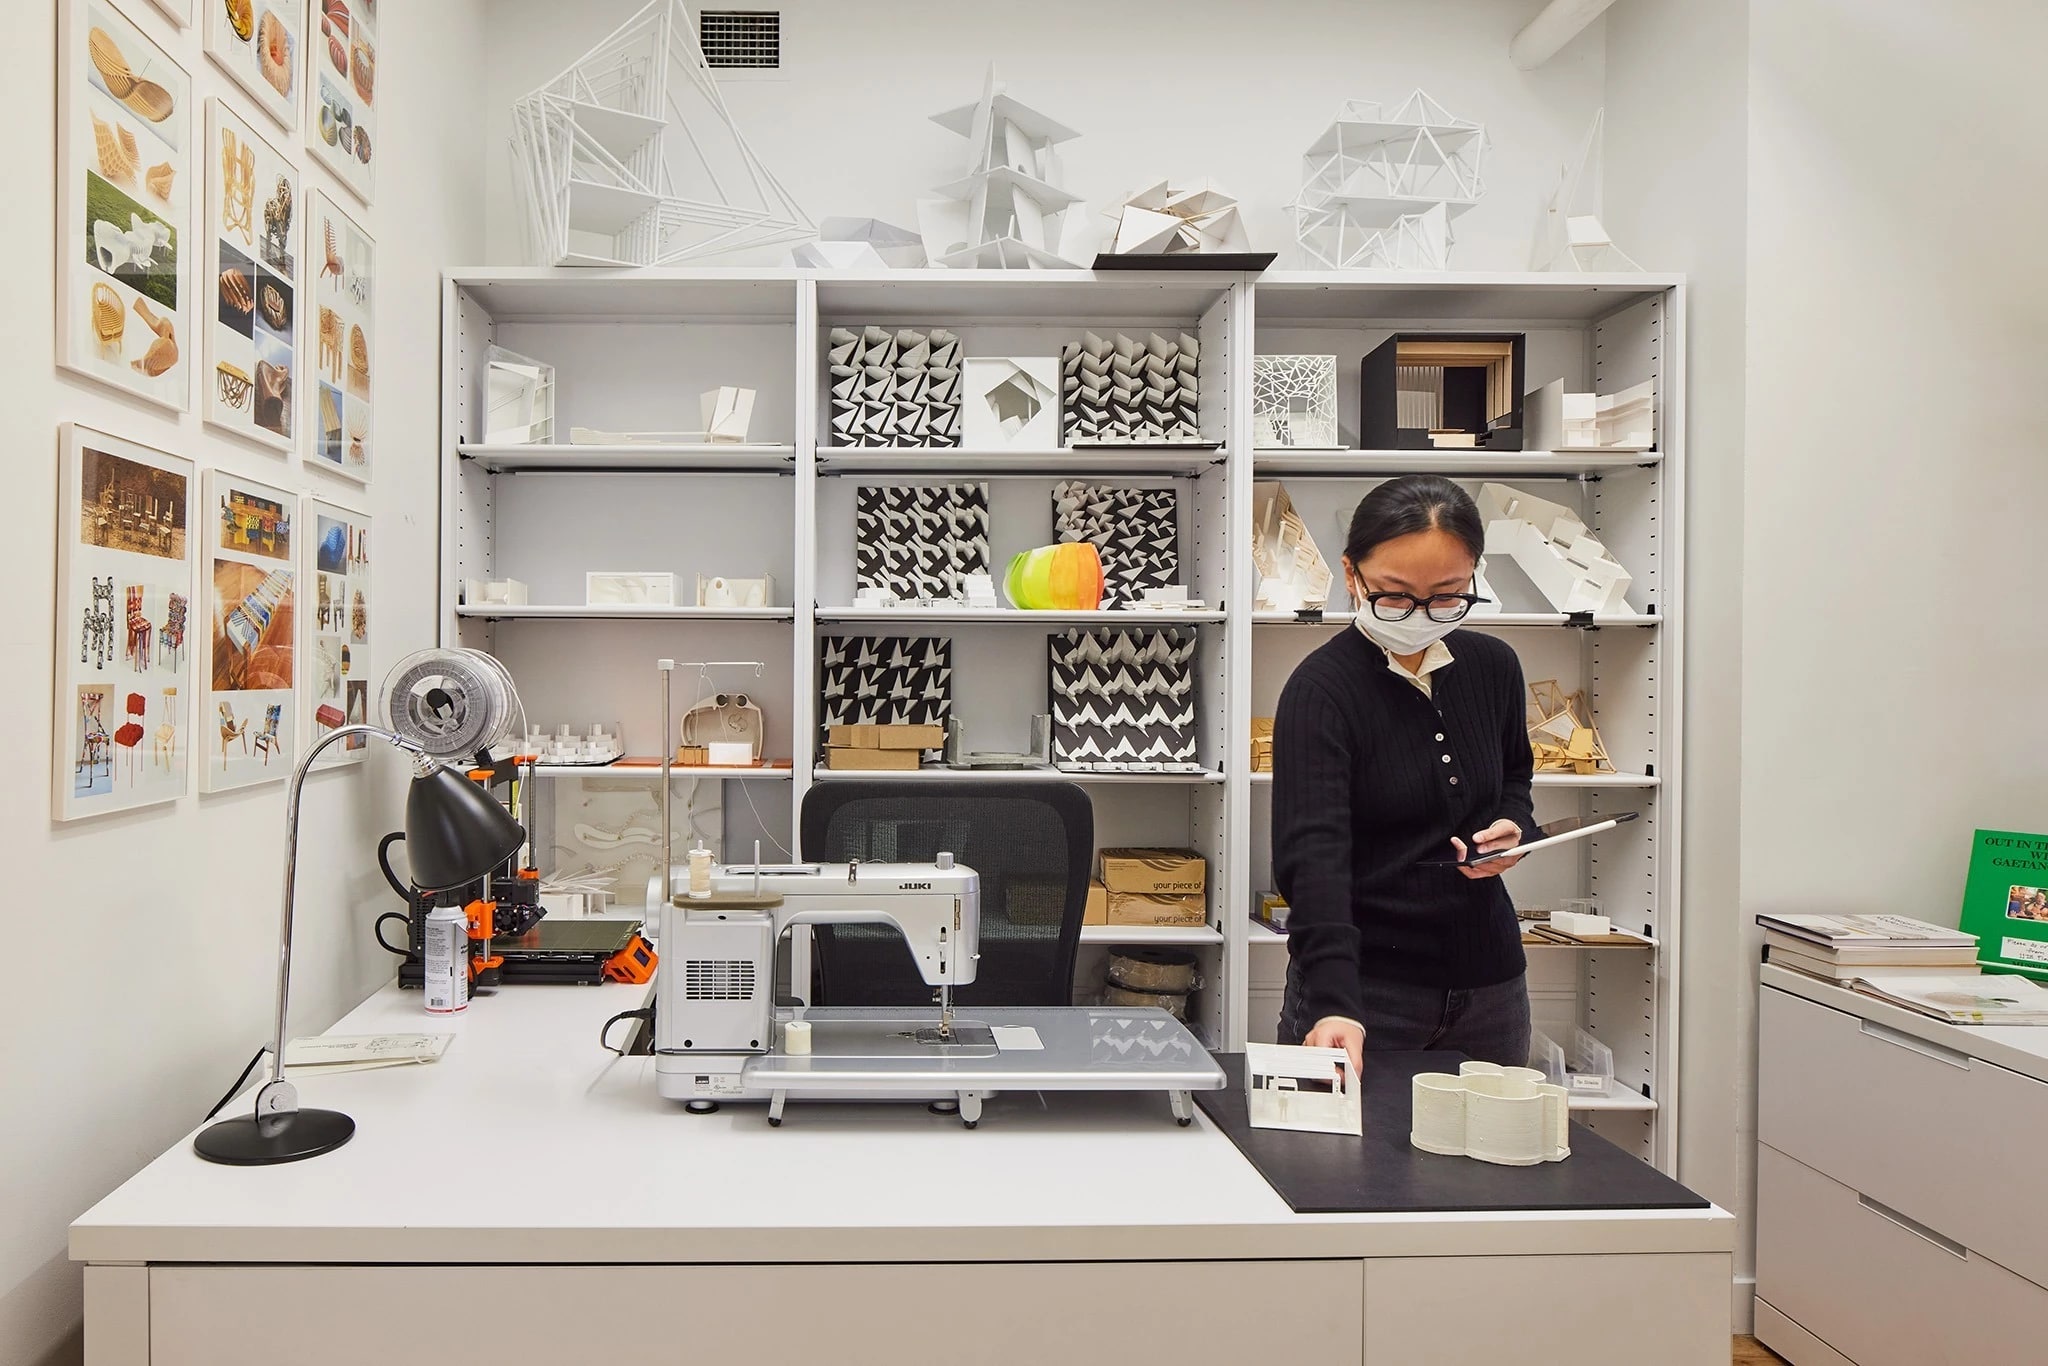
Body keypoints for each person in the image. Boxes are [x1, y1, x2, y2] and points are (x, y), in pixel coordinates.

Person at [1273, 474, 1537, 1074]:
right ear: (1352, 575)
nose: (1420, 613)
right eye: (1394, 594)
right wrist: (1335, 1003)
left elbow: (1515, 781)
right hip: (1368, 992)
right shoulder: (1322, 691)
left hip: (1491, 986)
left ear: (1473, 576)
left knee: (1493, 1160)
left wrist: (1510, 828)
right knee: (1339, 1166)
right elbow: (1313, 862)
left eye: (1447, 595)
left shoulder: (1494, 668)